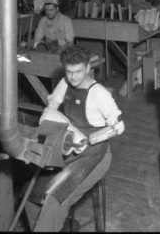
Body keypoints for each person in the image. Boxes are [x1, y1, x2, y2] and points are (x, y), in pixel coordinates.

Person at [32, 45, 125, 230]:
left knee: (56, 198)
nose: (73, 77)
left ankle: (51, 222)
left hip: (94, 155)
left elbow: (119, 126)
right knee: (32, 189)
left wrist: (95, 137)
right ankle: (56, 225)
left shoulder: (99, 94)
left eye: (78, 71)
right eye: (69, 72)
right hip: (70, 145)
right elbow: (52, 105)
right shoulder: (65, 83)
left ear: (89, 68)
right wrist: (50, 117)